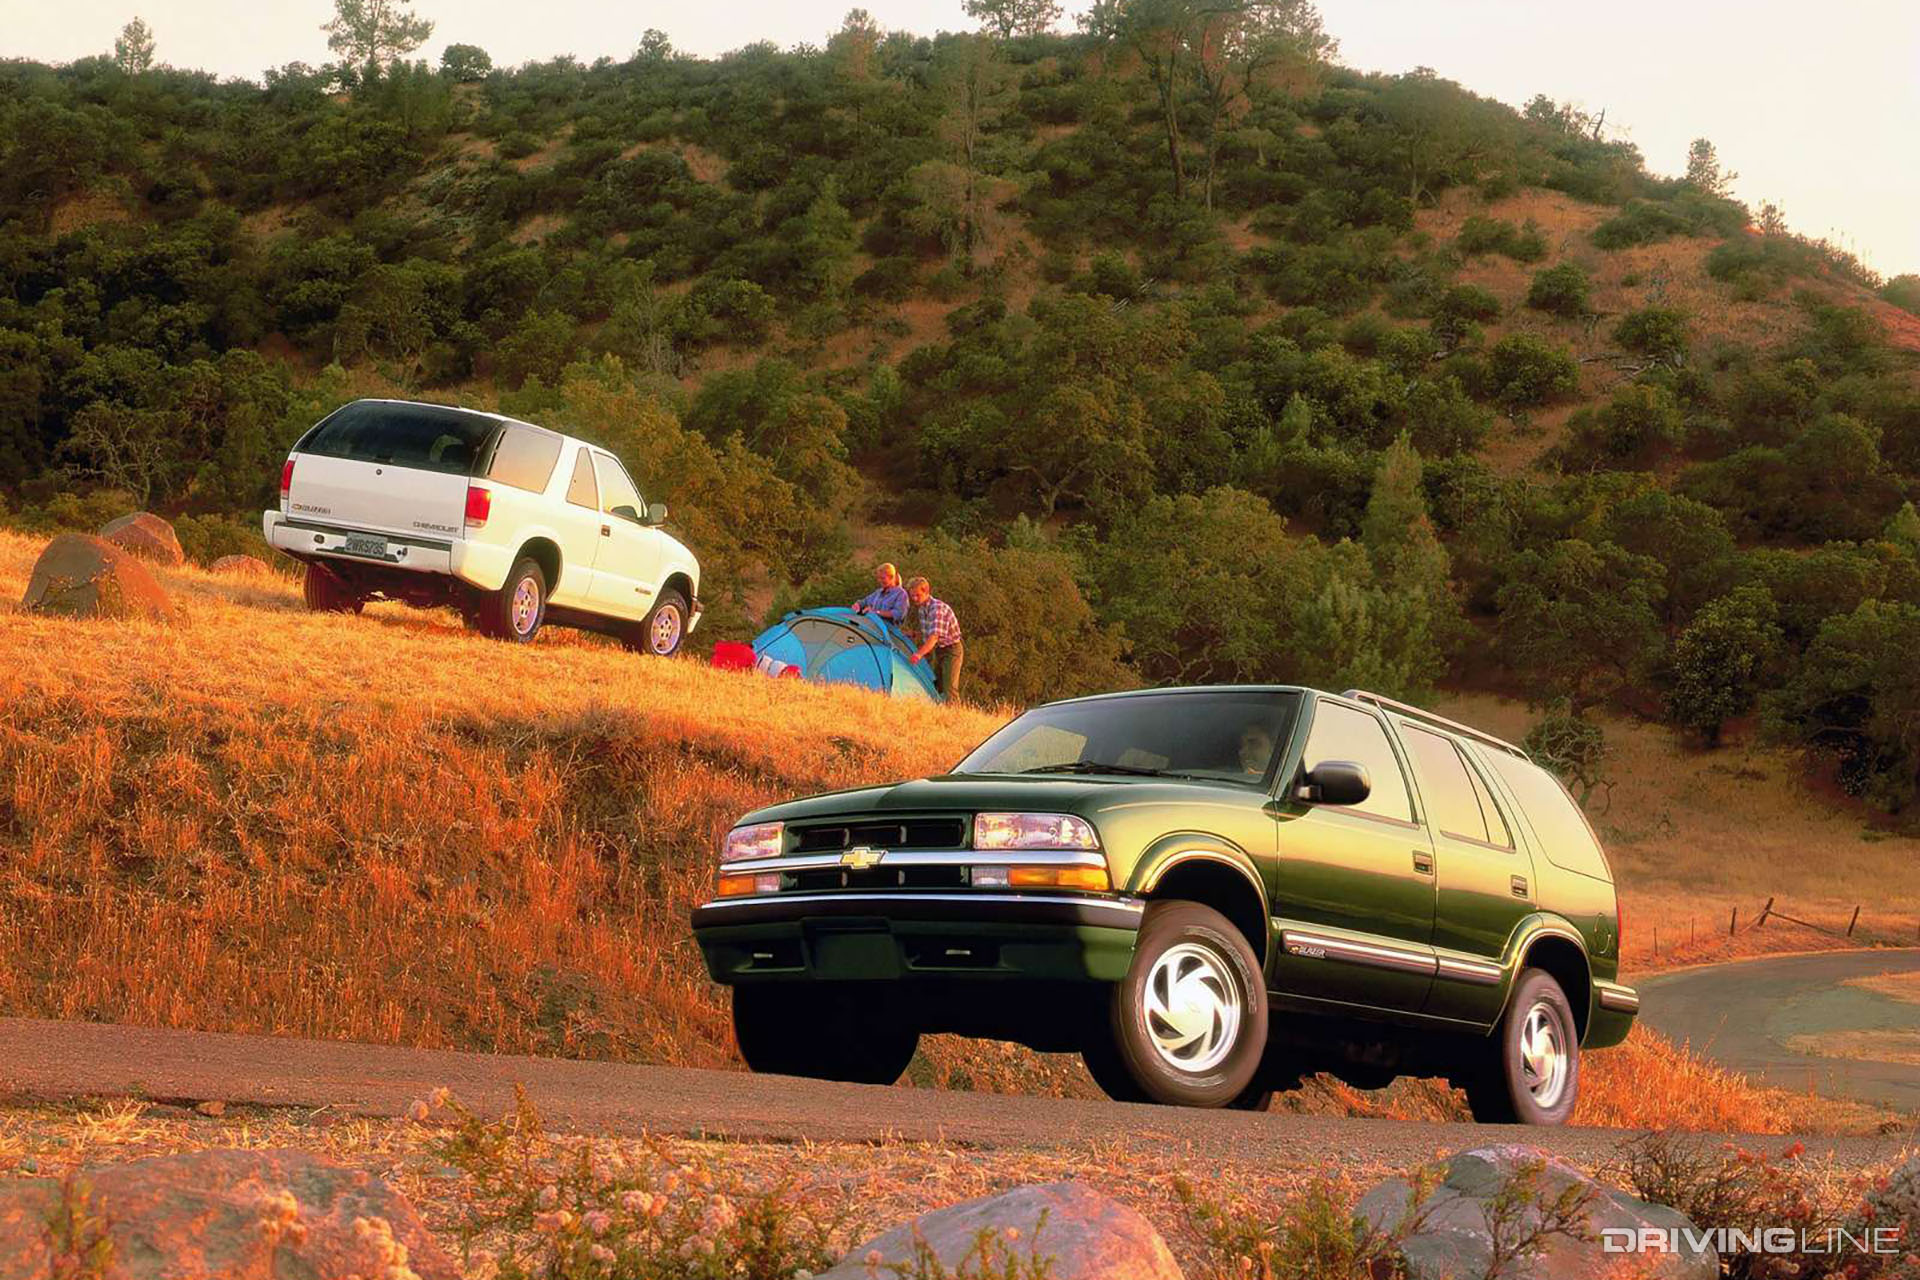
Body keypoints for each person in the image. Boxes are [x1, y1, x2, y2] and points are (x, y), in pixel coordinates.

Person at [905, 576, 964, 700]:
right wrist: (914, 634)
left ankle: (955, 715)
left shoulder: (937, 609)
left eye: (917, 595)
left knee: (950, 689)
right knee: (936, 685)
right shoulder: (922, 609)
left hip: (951, 650)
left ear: (926, 592)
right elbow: (929, 631)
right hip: (939, 650)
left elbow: (934, 637)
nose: (914, 599)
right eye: (912, 596)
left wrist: (918, 655)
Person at [851, 562, 909, 626]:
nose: (879, 580)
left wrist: (876, 612)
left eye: (882, 578)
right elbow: (865, 601)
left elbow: (898, 614)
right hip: (873, 627)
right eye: (878, 578)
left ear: (891, 577)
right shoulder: (878, 592)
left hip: (889, 631)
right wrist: (858, 605)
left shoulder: (901, 594)